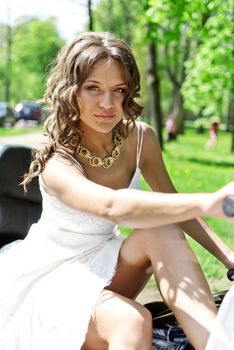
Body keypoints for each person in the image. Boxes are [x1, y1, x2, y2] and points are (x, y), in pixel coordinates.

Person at [0, 32, 234, 350]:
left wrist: (229, 258)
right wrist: (209, 202)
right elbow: (112, 205)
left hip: (105, 263)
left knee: (162, 226)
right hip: (53, 280)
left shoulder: (141, 140)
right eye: (93, 88)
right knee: (132, 322)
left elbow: (176, 205)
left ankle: (218, 345)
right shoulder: (58, 160)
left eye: (118, 90)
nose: (108, 104)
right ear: (71, 91)